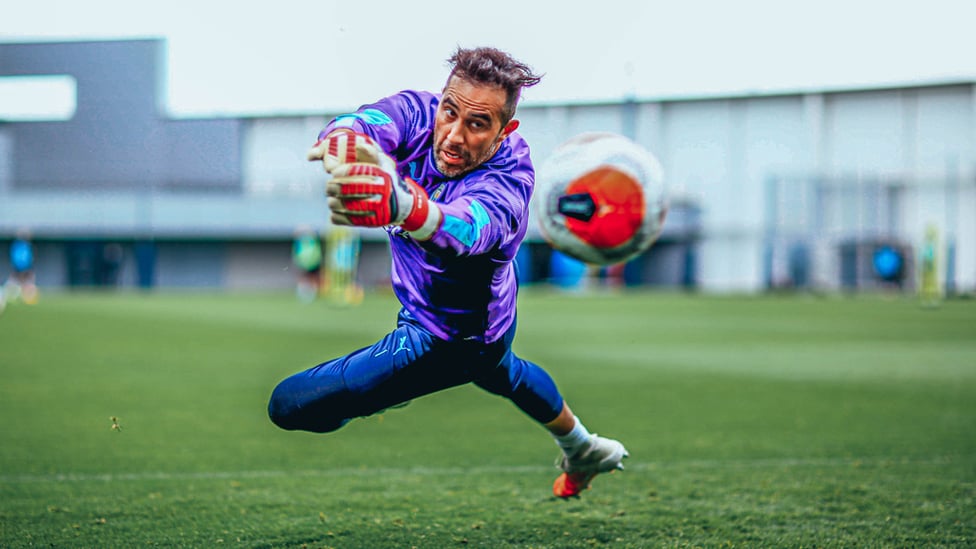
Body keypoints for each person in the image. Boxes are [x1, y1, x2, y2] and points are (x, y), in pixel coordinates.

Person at [268, 46, 628, 498]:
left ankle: (389, 390)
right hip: (493, 320)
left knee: (288, 405)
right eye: (450, 112)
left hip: (451, 339)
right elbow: (361, 125)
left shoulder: (510, 179)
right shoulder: (419, 112)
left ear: (504, 131)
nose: (454, 135)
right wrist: (346, 145)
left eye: (477, 124)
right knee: (505, 373)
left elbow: (466, 229)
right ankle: (583, 447)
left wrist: (405, 204)